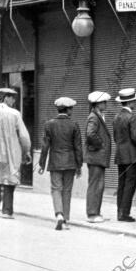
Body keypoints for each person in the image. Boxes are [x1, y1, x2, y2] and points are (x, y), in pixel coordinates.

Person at [0, 88, 31, 219]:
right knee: (10, 180)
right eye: (12, 98)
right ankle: (7, 211)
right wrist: (26, 151)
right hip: (11, 152)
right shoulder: (15, 114)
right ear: (6, 98)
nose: (14, 101)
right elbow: (24, 136)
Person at [38, 97, 83, 230]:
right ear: (68, 110)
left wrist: (41, 164)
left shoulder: (49, 124)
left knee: (56, 189)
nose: (72, 111)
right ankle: (65, 220)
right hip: (70, 162)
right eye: (71, 109)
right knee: (67, 191)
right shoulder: (74, 125)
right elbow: (78, 147)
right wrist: (79, 165)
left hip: (55, 162)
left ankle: (59, 214)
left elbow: (45, 146)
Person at [113, 88, 136, 222]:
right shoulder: (132, 117)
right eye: (134, 101)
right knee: (130, 184)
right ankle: (125, 213)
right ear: (130, 102)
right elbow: (135, 138)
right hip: (131, 155)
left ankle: (120, 211)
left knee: (122, 183)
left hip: (120, 154)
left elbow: (115, 137)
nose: (135, 103)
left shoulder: (116, 117)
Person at [84, 91, 111, 223]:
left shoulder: (97, 115)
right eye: (103, 102)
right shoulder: (94, 117)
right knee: (96, 185)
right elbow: (90, 134)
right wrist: (100, 144)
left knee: (98, 184)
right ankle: (92, 213)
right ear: (97, 104)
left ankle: (96, 212)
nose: (105, 104)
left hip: (97, 156)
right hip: (96, 156)